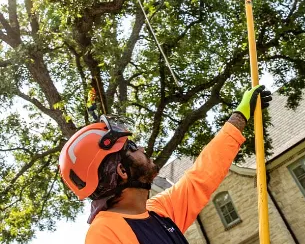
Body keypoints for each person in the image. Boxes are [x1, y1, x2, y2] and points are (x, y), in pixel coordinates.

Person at [59, 85, 272, 244]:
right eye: (132, 147)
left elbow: (201, 175)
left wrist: (241, 115)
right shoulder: (105, 234)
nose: (142, 148)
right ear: (122, 171)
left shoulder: (157, 211)